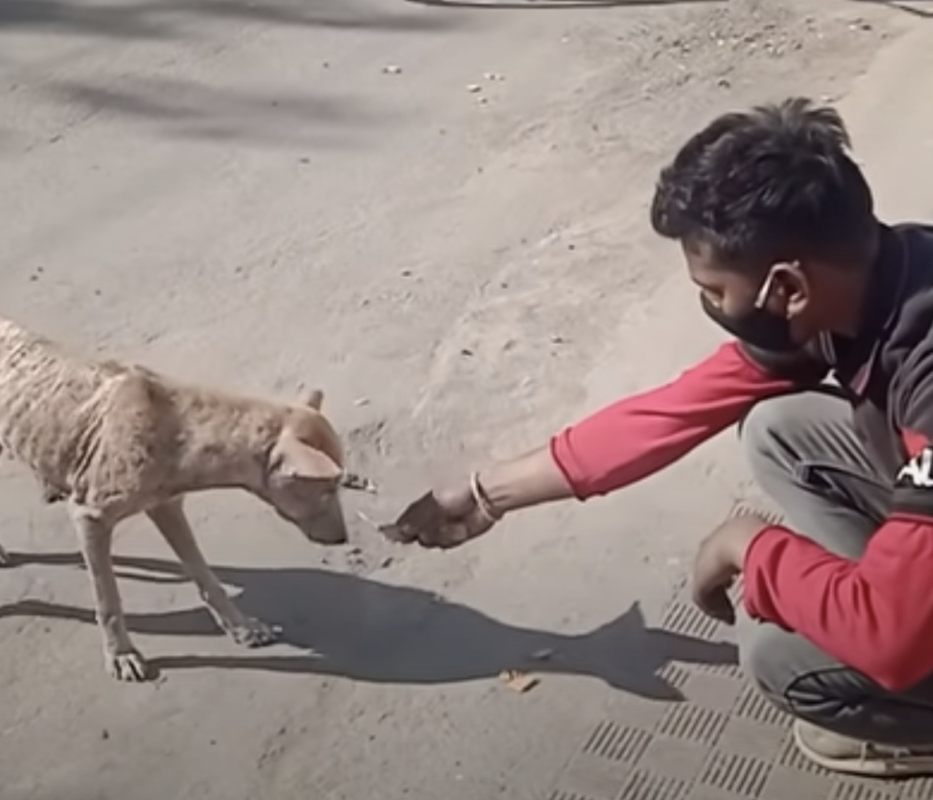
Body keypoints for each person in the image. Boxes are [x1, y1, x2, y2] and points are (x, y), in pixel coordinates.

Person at [390, 97, 933, 777]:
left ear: (786, 287)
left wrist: (751, 547)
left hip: (906, 602)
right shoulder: (880, 276)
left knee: (780, 658)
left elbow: (891, 639)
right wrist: (485, 493)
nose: (707, 306)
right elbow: (678, 410)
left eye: (711, 289)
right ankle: (892, 581)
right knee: (779, 429)